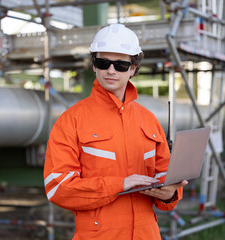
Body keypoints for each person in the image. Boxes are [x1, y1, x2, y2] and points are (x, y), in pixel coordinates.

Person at [43, 23, 188, 240]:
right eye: (103, 63)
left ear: (133, 69)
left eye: (120, 65)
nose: (111, 70)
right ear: (94, 66)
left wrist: (169, 194)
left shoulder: (148, 121)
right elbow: (58, 188)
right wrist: (119, 184)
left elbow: (164, 180)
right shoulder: (71, 121)